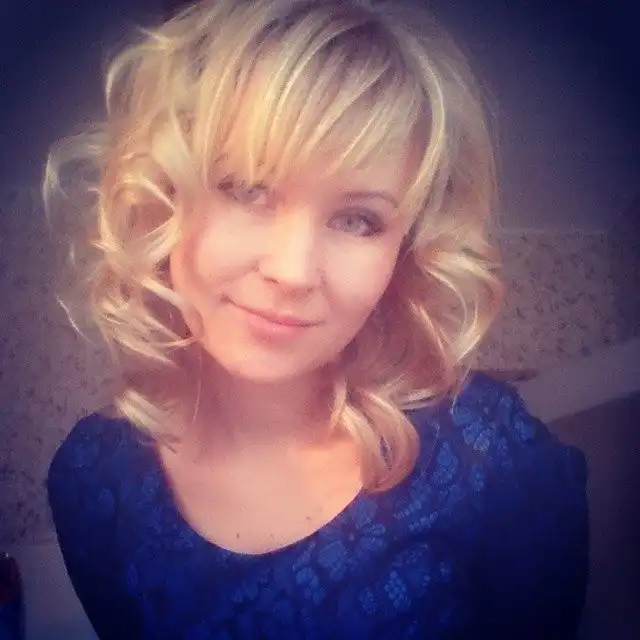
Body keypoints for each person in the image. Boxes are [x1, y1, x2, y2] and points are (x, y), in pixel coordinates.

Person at [43, 0, 589, 638]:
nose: (293, 271)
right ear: (163, 195)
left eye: (357, 219)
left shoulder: (493, 457)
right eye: (247, 189)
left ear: (405, 250)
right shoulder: (93, 479)